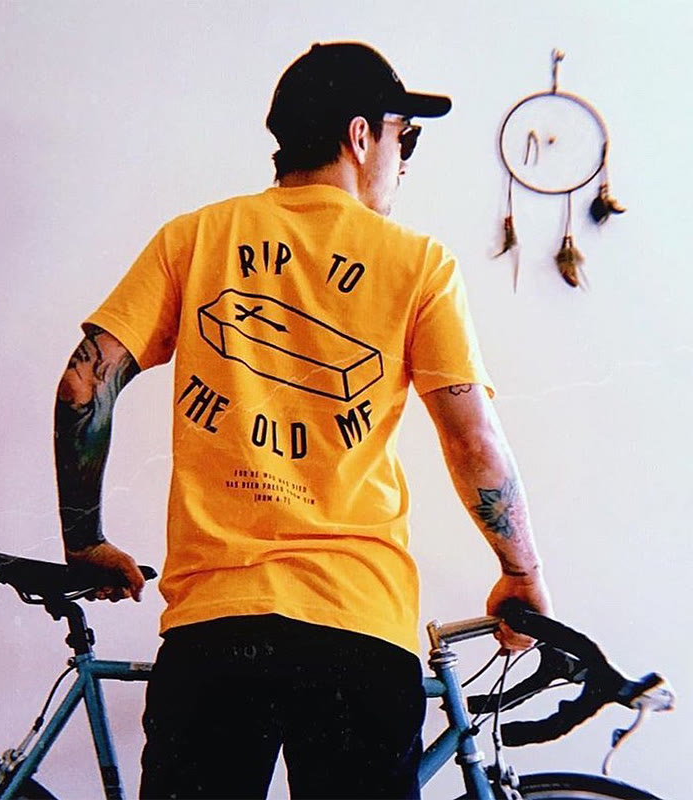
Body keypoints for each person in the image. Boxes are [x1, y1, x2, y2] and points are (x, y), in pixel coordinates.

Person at [54, 42, 552, 800]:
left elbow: (82, 383)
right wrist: (521, 572)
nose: (404, 162)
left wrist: (84, 540)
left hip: (215, 627)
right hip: (357, 625)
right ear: (361, 136)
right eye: (405, 137)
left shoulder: (196, 236)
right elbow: (473, 439)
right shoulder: (419, 264)